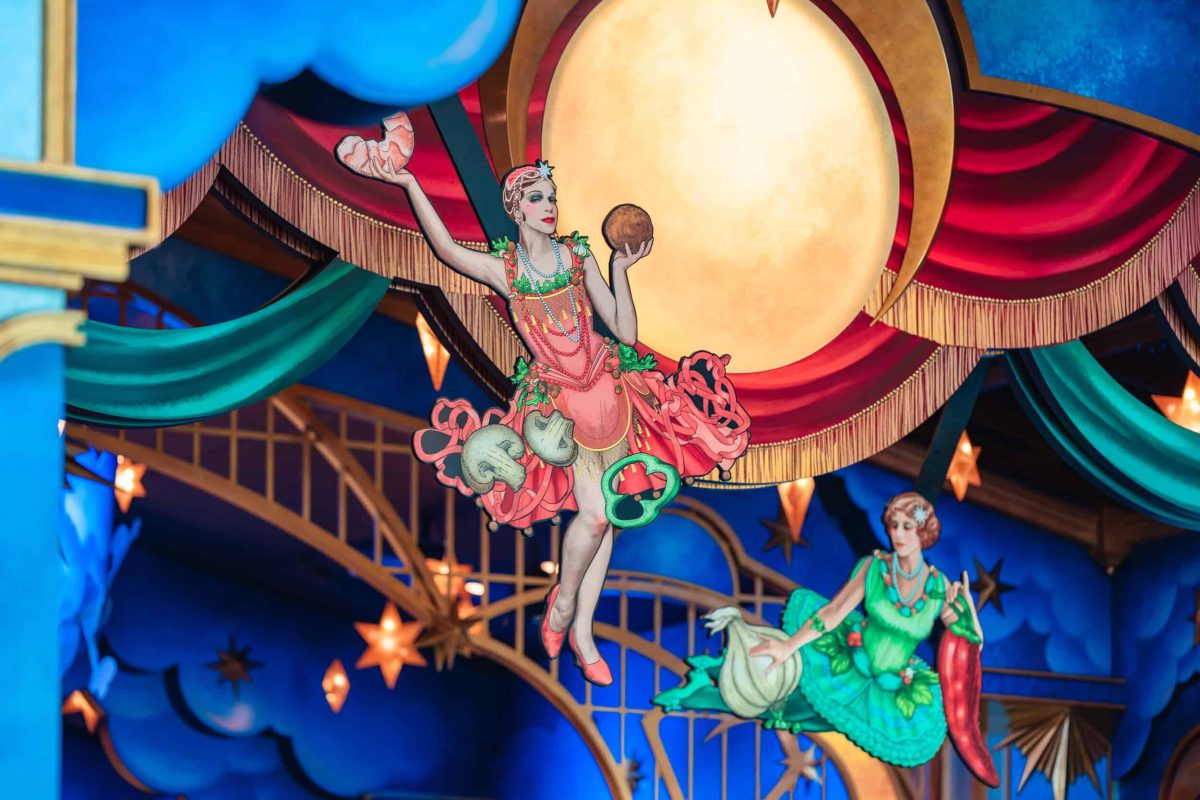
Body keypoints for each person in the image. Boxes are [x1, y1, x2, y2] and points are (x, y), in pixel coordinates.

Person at [347, 151, 751, 686]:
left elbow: (625, 333)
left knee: (609, 515)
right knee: (595, 516)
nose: (549, 206)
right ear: (515, 209)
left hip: (611, 392)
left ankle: (581, 629)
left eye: (552, 197)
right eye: (536, 198)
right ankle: (563, 605)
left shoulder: (578, 256)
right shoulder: (505, 270)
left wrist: (619, 270)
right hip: (558, 410)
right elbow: (444, 248)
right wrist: (408, 181)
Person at [653, 492, 984, 768]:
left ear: (923, 532)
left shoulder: (939, 589)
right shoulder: (874, 568)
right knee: (791, 703)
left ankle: (711, 683)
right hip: (847, 663)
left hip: (893, 690)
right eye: (893, 525)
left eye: (907, 527)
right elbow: (835, 612)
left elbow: (970, 648)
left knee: (796, 715)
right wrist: (788, 647)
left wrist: (969, 614)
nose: (898, 534)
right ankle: (712, 680)